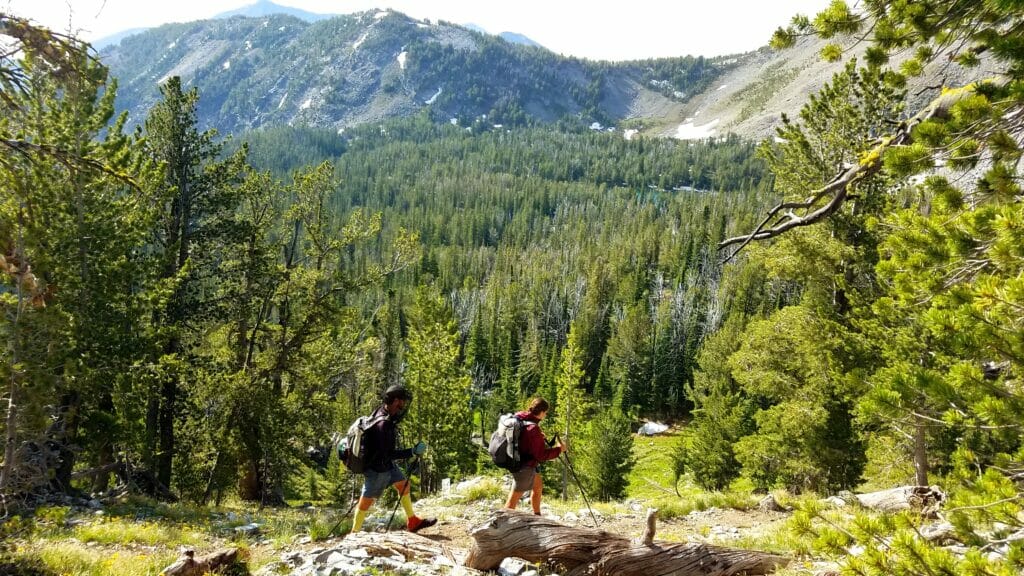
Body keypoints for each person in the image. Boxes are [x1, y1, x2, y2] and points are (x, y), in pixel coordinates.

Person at [352, 385, 437, 533]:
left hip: (385, 464)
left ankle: (413, 521)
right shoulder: (383, 424)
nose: (402, 407)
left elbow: (386, 454)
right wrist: (412, 451)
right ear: (395, 400)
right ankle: (354, 534)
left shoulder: (383, 411)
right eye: (401, 403)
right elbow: (388, 453)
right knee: (366, 502)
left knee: (403, 484)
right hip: (377, 468)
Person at [504, 397, 566, 516]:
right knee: (512, 502)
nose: (546, 415)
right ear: (542, 412)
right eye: (546, 412)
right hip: (524, 467)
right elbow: (541, 455)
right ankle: (499, 525)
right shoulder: (532, 428)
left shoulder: (522, 418)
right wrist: (559, 450)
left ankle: (537, 517)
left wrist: (539, 438)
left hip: (524, 462)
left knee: (537, 488)